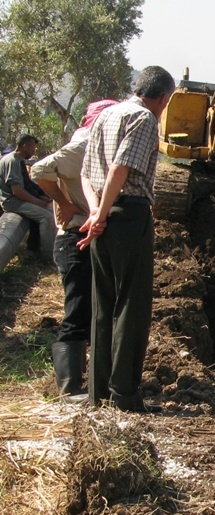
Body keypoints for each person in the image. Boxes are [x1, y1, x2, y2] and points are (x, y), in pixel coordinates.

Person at [79, 66, 176, 413]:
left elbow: (86, 173)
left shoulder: (105, 115)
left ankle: (99, 393)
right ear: (164, 97)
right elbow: (121, 170)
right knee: (131, 306)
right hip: (128, 215)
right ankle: (124, 394)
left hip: (102, 218)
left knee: (103, 305)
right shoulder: (145, 119)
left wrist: (94, 215)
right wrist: (103, 215)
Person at [30, 100, 119, 399]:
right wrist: (65, 204)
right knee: (78, 310)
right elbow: (39, 169)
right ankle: (69, 387)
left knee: (92, 309)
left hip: (89, 237)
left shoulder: (94, 146)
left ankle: (90, 382)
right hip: (74, 238)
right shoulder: (82, 146)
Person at [0, 134, 56, 257]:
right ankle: (47, 253)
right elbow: (17, 191)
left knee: (48, 212)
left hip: (16, 200)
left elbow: (26, 184)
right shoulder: (12, 161)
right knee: (47, 217)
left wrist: (40, 196)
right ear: (25, 146)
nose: (34, 151)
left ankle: (33, 247)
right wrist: (37, 202)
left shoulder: (17, 160)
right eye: (33, 148)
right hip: (13, 202)